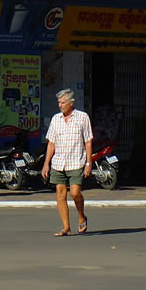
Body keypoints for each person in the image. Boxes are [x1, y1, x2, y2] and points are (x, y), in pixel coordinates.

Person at [41, 88, 93, 237]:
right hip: (58, 162)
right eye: (59, 102)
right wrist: (46, 163)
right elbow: (51, 143)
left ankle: (81, 216)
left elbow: (88, 141)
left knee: (75, 193)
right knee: (60, 193)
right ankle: (66, 227)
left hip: (76, 161)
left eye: (63, 102)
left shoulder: (82, 117)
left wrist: (88, 163)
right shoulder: (55, 119)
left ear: (71, 103)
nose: (60, 105)